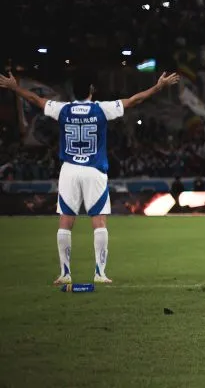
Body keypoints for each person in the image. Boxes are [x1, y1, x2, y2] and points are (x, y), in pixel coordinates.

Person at [0, 70, 180, 284]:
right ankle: (99, 273)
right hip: (94, 170)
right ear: (92, 90)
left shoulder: (63, 109)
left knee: (65, 221)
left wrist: (14, 88)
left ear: (72, 92)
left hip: (69, 170)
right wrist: (158, 87)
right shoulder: (102, 109)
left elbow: (35, 99)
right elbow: (134, 100)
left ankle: (65, 273)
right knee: (99, 221)